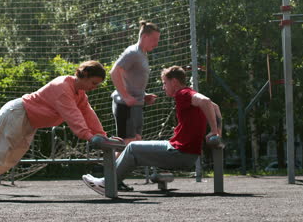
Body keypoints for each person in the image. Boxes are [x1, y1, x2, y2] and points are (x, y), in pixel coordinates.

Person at [0, 60, 108, 201]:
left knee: (8, 158)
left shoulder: (80, 93)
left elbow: (88, 114)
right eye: (94, 83)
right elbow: (73, 116)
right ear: (85, 75)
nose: (94, 88)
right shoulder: (63, 87)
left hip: (29, 121)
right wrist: (89, 136)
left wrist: (102, 136)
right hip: (17, 113)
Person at [82, 65, 222, 196]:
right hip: (185, 152)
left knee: (132, 147)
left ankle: (107, 183)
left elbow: (207, 101)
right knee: (134, 151)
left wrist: (214, 130)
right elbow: (215, 107)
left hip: (180, 152)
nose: (163, 87)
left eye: (164, 83)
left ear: (174, 82)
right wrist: (218, 132)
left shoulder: (183, 93)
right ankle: (109, 181)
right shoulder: (190, 93)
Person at [109, 20, 160, 191]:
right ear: (144, 37)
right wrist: (125, 96)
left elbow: (131, 80)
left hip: (136, 106)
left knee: (135, 141)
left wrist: (144, 96)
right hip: (125, 106)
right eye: (154, 40)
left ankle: (115, 178)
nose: (156, 44)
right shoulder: (132, 52)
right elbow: (114, 71)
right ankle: (112, 179)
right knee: (127, 143)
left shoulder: (142, 54)